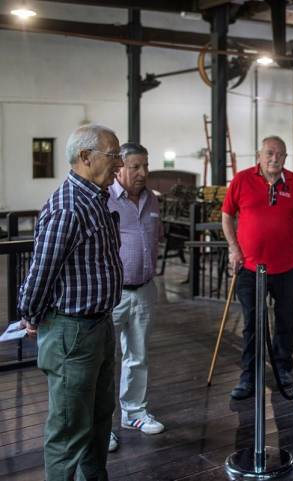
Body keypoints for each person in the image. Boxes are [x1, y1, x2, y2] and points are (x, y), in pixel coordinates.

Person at [18, 124, 124, 481]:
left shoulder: (95, 198)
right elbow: (41, 272)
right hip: (73, 332)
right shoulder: (69, 207)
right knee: (68, 429)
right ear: (85, 157)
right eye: (114, 155)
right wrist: (30, 315)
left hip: (99, 325)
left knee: (99, 416)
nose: (120, 163)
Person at [221, 135, 293, 400]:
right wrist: (233, 248)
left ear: (285, 158)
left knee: (286, 323)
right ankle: (249, 376)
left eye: (280, 154)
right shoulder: (242, 180)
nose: (274, 158)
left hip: (286, 267)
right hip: (250, 267)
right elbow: (226, 215)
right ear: (259, 154)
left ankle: (283, 370)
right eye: (269, 153)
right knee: (252, 324)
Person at [106, 142, 165, 453]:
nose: (143, 172)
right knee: (104, 361)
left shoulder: (152, 201)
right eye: (136, 166)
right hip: (112, 293)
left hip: (144, 289)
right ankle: (102, 428)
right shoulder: (105, 200)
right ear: (119, 168)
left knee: (138, 355)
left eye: (146, 165)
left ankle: (134, 413)